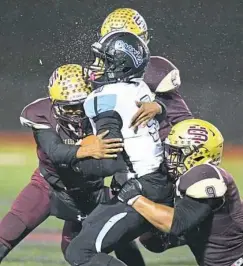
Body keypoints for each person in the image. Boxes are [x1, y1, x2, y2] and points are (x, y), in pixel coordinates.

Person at [0, 64, 142, 266]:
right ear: (54, 102)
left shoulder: (104, 113)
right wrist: (84, 150)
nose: (76, 113)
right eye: (69, 107)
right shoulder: (41, 113)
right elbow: (55, 152)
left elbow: (120, 160)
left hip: (91, 193)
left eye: (80, 105)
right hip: (49, 186)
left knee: (96, 245)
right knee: (7, 232)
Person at [65, 31, 174, 266]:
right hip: (159, 183)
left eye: (103, 60)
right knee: (99, 232)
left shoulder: (104, 96)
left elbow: (109, 159)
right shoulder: (139, 87)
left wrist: (77, 157)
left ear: (120, 64)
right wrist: (160, 107)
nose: (95, 66)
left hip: (140, 189)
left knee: (79, 252)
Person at [100, 7, 192, 252]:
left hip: (162, 163)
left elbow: (184, 120)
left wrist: (159, 107)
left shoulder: (152, 70)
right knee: (146, 238)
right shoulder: (106, 74)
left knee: (167, 232)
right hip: (131, 163)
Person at [118, 118, 243, 266]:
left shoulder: (205, 173)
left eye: (176, 152)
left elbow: (177, 223)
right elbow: (155, 243)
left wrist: (133, 197)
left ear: (198, 154)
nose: (169, 157)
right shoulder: (185, 182)